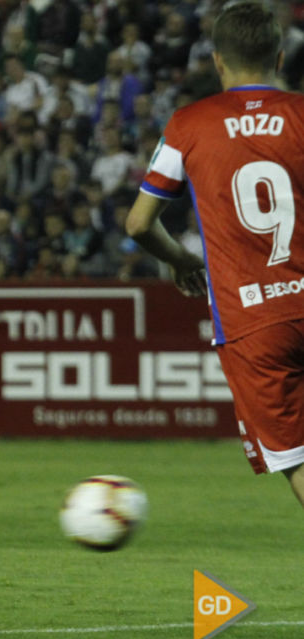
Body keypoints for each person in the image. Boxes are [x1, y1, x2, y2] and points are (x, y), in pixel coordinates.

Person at [125, 2, 304, 508]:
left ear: (218, 60)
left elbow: (138, 223)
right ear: (279, 54)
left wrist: (182, 261)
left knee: (295, 458)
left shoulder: (189, 125)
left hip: (253, 320)